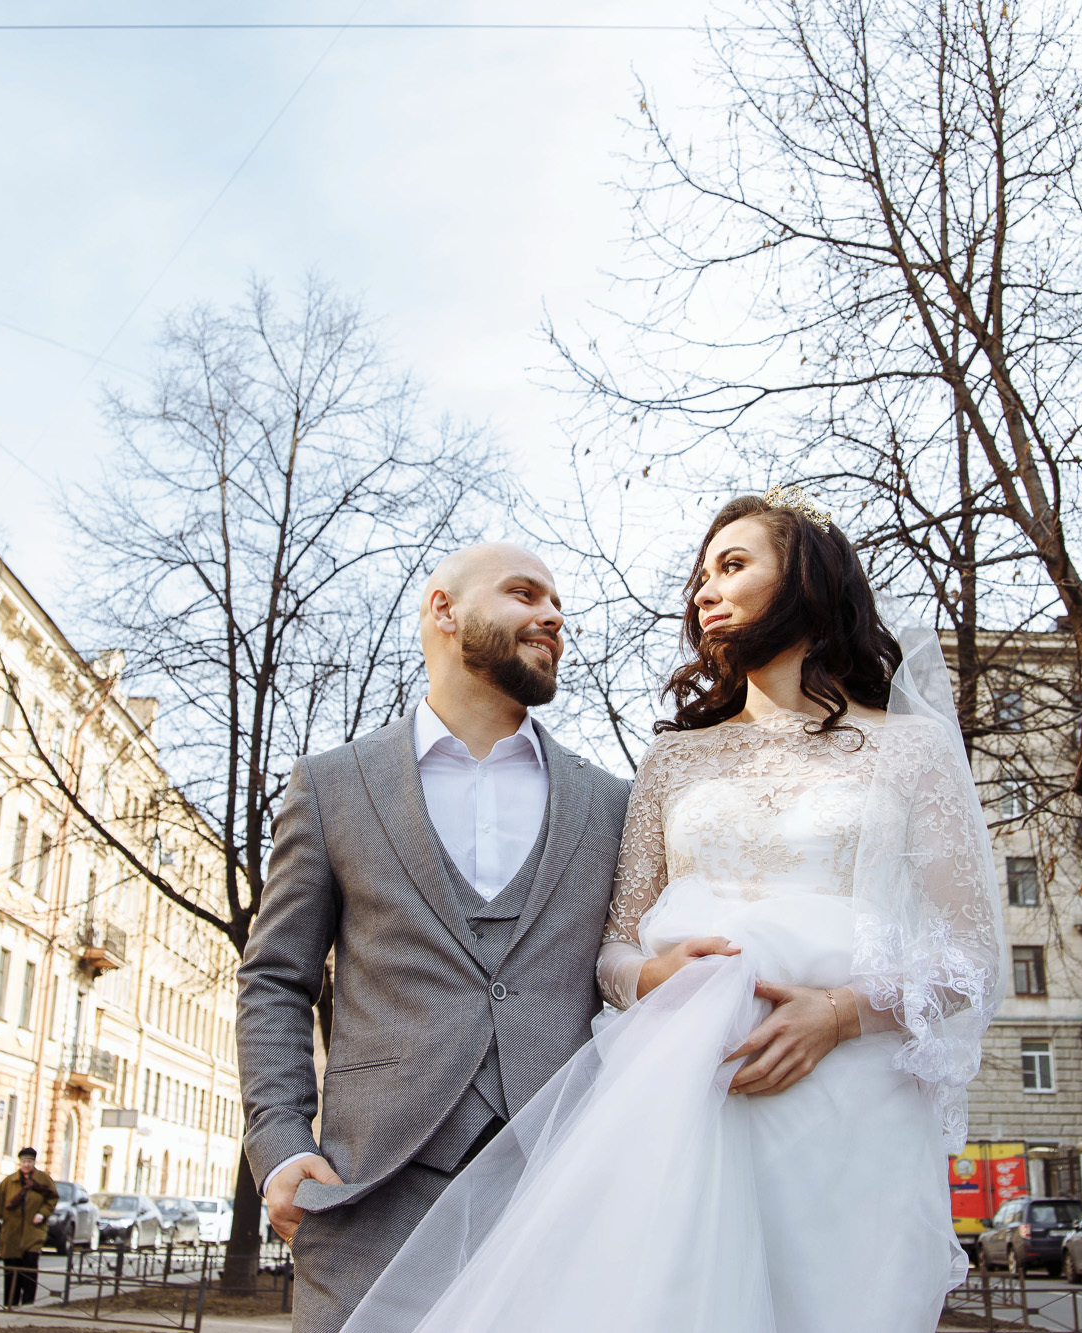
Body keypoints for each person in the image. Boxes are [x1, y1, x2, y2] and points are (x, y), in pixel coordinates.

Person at [344, 491, 1004, 1333]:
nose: (703, 590)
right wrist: (656, 974)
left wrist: (836, 1017)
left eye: (732, 566)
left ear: (805, 578)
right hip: (681, 1096)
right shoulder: (673, 759)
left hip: (850, 1103)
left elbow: (969, 958)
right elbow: (615, 951)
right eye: (701, 574)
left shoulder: (910, 749)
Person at [236, 542, 633, 1333]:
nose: (553, 616)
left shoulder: (613, 802)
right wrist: (280, 1142)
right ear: (443, 610)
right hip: (368, 1196)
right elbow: (275, 978)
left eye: (559, 605)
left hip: (560, 1196)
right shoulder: (332, 784)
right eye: (525, 593)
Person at [0, 1147, 58, 1307]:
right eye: (24, 1162)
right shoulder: (9, 1182)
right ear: (19, 1162)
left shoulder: (43, 1180)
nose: (27, 1165)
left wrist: (42, 1213)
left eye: (29, 1162)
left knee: (29, 1269)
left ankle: (28, 1304)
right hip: (12, 1233)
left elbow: (52, 1199)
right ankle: (10, 1304)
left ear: (34, 1162)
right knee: (11, 1270)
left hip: (33, 1232)